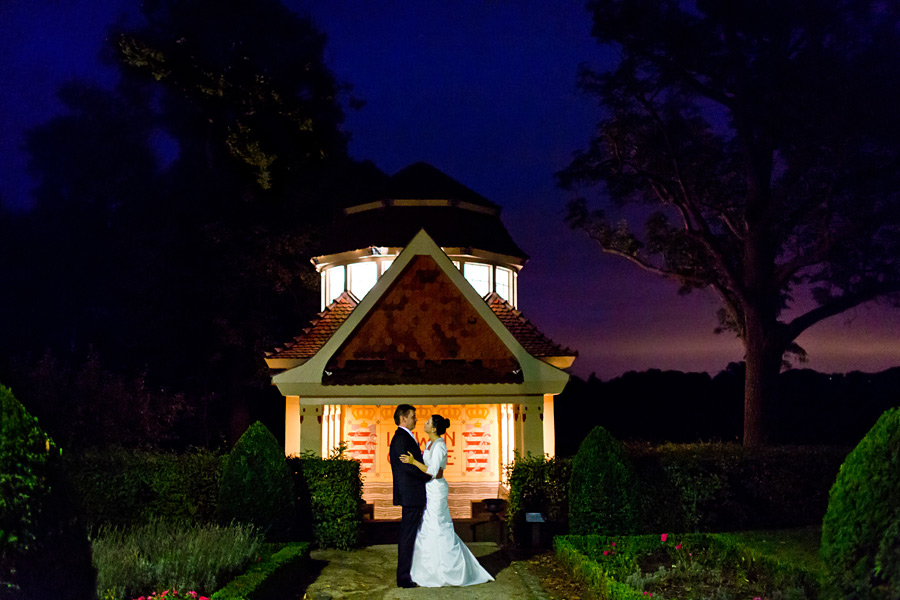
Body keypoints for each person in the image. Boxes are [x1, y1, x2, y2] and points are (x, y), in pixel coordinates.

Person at [400, 414, 494, 587]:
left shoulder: (440, 446)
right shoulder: (429, 443)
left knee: (438, 525)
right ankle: (428, 570)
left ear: (434, 428)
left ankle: (451, 569)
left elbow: (434, 471)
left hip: (436, 487)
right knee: (427, 526)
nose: (424, 423)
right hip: (428, 488)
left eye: (428, 422)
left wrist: (413, 462)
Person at [389, 404, 431, 588]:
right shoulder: (400, 438)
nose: (416, 419)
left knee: (411, 534)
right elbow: (406, 467)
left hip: (412, 493)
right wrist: (427, 474)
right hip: (411, 494)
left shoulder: (405, 437)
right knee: (407, 535)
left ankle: (410, 572)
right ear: (403, 418)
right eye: (413, 416)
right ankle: (403, 577)